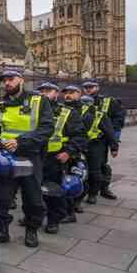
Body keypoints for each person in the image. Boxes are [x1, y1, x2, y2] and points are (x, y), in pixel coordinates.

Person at [0, 70, 54, 248]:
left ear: (21, 80)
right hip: (5, 158)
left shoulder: (38, 100)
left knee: (33, 197)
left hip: (29, 157)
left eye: (11, 79)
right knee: (1, 198)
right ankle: (2, 230)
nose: (7, 83)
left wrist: (20, 142)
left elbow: (47, 128)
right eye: (4, 81)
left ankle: (31, 230)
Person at [26, 82, 86, 234]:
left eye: (48, 91)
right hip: (33, 156)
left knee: (52, 192)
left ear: (56, 93)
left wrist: (68, 152)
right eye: (42, 91)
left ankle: (53, 221)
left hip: (54, 158)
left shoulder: (67, 112)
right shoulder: (30, 110)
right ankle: (32, 218)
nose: (44, 93)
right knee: (31, 191)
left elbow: (80, 136)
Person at [81, 80, 124, 200]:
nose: (88, 89)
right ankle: (85, 191)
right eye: (85, 87)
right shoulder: (80, 101)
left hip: (101, 140)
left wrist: (112, 138)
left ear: (97, 87)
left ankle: (103, 189)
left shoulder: (108, 101)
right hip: (83, 140)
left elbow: (118, 118)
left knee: (100, 166)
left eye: (91, 87)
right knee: (84, 166)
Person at [61, 85, 89, 219]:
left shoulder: (85, 110)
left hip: (77, 150)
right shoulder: (60, 108)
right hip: (62, 150)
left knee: (77, 178)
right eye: (66, 92)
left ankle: (73, 207)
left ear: (79, 94)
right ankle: (68, 208)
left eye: (72, 92)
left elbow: (81, 134)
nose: (68, 95)